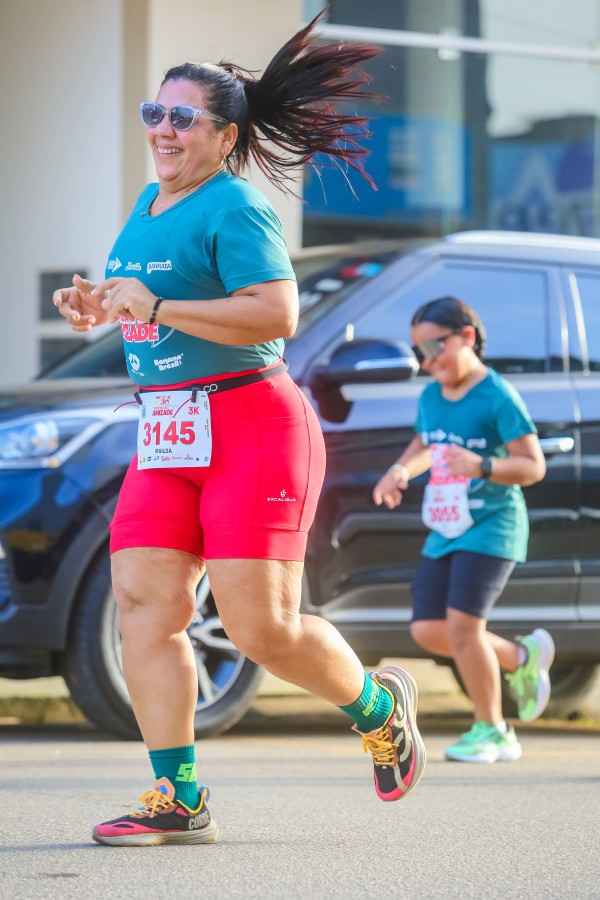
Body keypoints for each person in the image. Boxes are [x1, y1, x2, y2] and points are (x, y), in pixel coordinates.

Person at [53, 11, 425, 847]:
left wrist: (157, 304)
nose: (163, 130)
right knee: (147, 607)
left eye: (182, 118)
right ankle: (177, 797)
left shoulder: (237, 206)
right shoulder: (151, 202)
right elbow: (152, 310)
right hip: (168, 429)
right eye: (155, 114)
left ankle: (376, 704)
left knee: (261, 628)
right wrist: (97, 307)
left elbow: (276, 312)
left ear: (225, 137)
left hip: (251, 423)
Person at [373, 296, 555, 764]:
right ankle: (520, 658)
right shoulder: (432, 394)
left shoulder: (496, 395)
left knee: (463, 627)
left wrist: (484, 464)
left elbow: (532, 466)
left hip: (493, 526)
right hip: (448, 525)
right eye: (418, 352)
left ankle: (493, 729)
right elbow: (424, 442)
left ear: (467, 337)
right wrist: (400, 470)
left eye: (435, 346)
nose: (428, 360)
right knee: (429, 629)